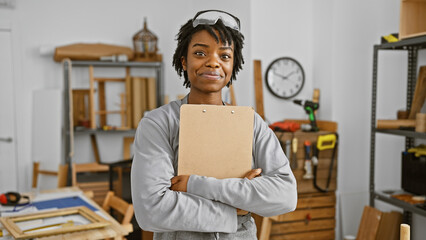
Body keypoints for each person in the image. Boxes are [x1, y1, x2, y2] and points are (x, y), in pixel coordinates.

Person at [131, 9, 297, 240]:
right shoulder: (158, 124)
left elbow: (285, 196)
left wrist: (194, 185)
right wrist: (237, 208)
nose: (213, 63)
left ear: (233, 65)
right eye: (200, 53)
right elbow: (152, 211)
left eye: (225, 56)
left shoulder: (252, 123)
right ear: (184, 61)